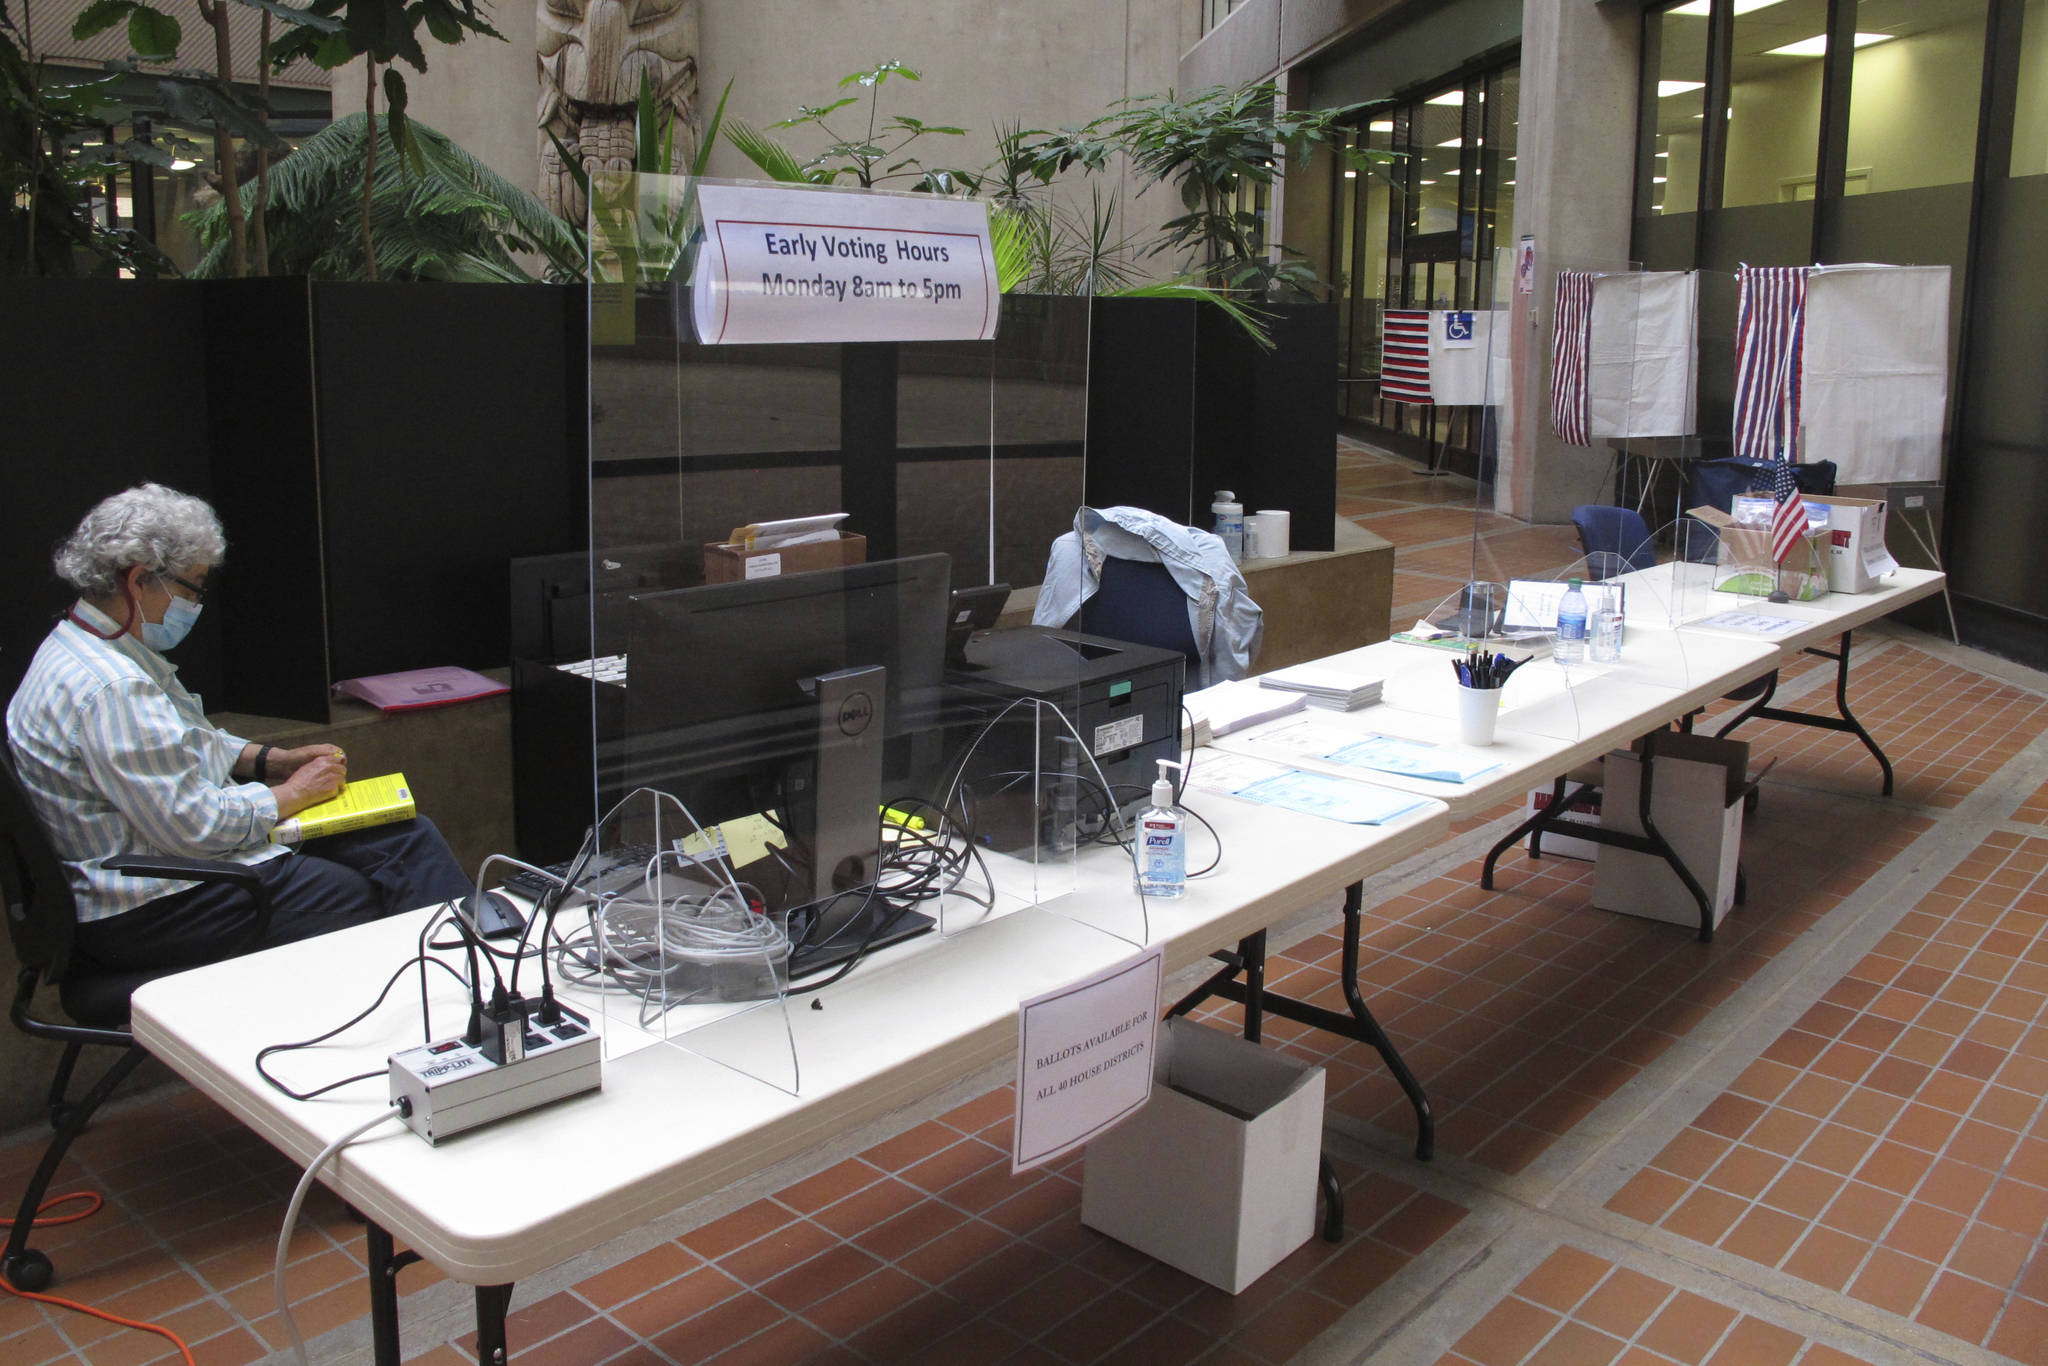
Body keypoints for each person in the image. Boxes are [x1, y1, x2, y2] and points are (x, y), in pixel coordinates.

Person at [6, 483, 476, 972]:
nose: (197, 602)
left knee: (405, 836)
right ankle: (456, 999)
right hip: (151, 904)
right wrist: (293, 793)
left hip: (158, 868)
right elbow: (197, 826)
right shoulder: (112, 686)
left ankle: (476, 981)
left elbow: (177, 740)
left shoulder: (85, 645)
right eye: (192, 586)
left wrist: (268, 761)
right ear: (141, 579)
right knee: (359, 896)